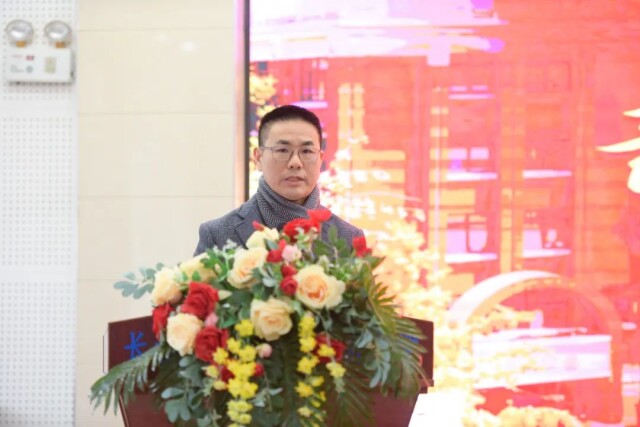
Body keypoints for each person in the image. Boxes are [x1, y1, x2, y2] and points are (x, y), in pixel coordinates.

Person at [194, 105, 363, 255]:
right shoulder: (217, 235)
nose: (295, 163)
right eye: (282, 150)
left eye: (307, 151)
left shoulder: (348, 238)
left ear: (320, 159)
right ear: (258, 158)